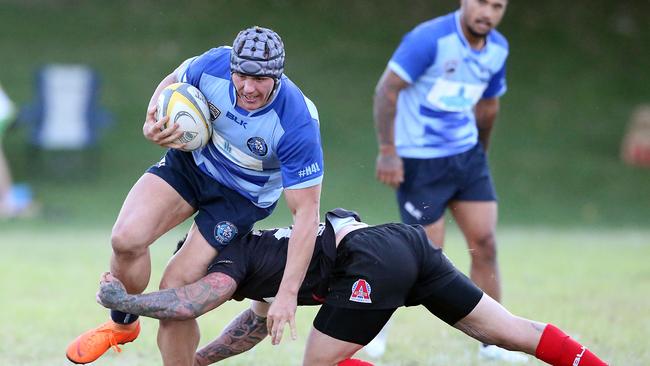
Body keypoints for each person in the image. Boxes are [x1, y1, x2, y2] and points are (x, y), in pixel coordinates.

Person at [66, 26, 324, 365]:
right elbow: (174, 79)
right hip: (191, 164)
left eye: (260, 79)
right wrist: (152, 118)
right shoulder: (212, 64)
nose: (248, 87)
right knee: (125, 239)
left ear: (278, 75)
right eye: (241, 75)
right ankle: (122, 326)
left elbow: (306, 214)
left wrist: (288, 293)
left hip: (241, 196)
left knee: (177, 291)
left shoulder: (296, 123)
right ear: (231, 66)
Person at [96, 208, 609, 366]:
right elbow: (251, 325)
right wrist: (201, 360)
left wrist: (129, 304)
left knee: (319, 363)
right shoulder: (261, 255)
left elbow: (196, 300)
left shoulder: (226, 250)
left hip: (369, 259)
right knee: (510, 332)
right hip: (401, 242)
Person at [372, 0, 515, 360]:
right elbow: (386, 91)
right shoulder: (429, 39)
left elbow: (488, 105)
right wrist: (388, 150)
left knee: (486, 244)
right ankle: (374, 331)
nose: (488, 13)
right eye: (482, 3)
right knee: (421, 257)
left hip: (467, 159)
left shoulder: (498, 48)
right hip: (421, 162)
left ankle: (494, 343)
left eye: (497, 6)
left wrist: (480, 154)